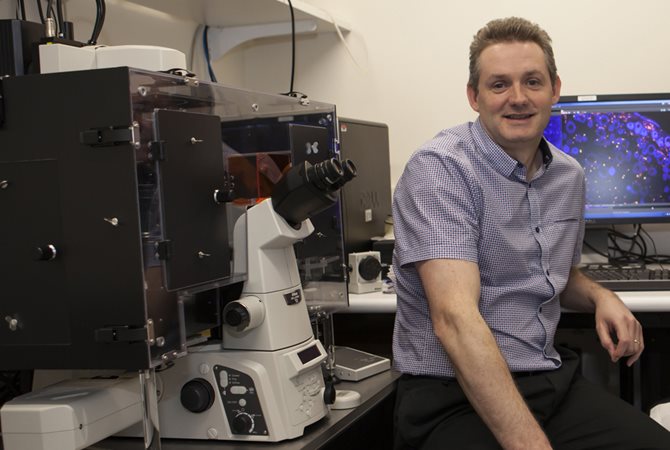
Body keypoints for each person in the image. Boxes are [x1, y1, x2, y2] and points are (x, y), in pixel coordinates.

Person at [391, 16, 670, 449]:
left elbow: (553, 272)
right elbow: (454, 320)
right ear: (474, 96)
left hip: (547, 381)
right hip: (451, 394)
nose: (517, 98)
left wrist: (601, 296)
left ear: (554, 89)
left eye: (532, 82)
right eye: (499, 84)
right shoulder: (441, 169)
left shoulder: (568, 175)